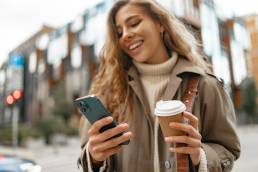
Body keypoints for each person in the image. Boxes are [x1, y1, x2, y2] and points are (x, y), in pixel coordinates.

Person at [78, 0, 240, 171]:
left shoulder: (206, 85)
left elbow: (228, 150)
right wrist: (94, 156)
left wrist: (200, 155)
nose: (125, 35)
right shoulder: (107, 91)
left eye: (134, 23)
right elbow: (86, 155)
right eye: (119, 33)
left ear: (160, 23)